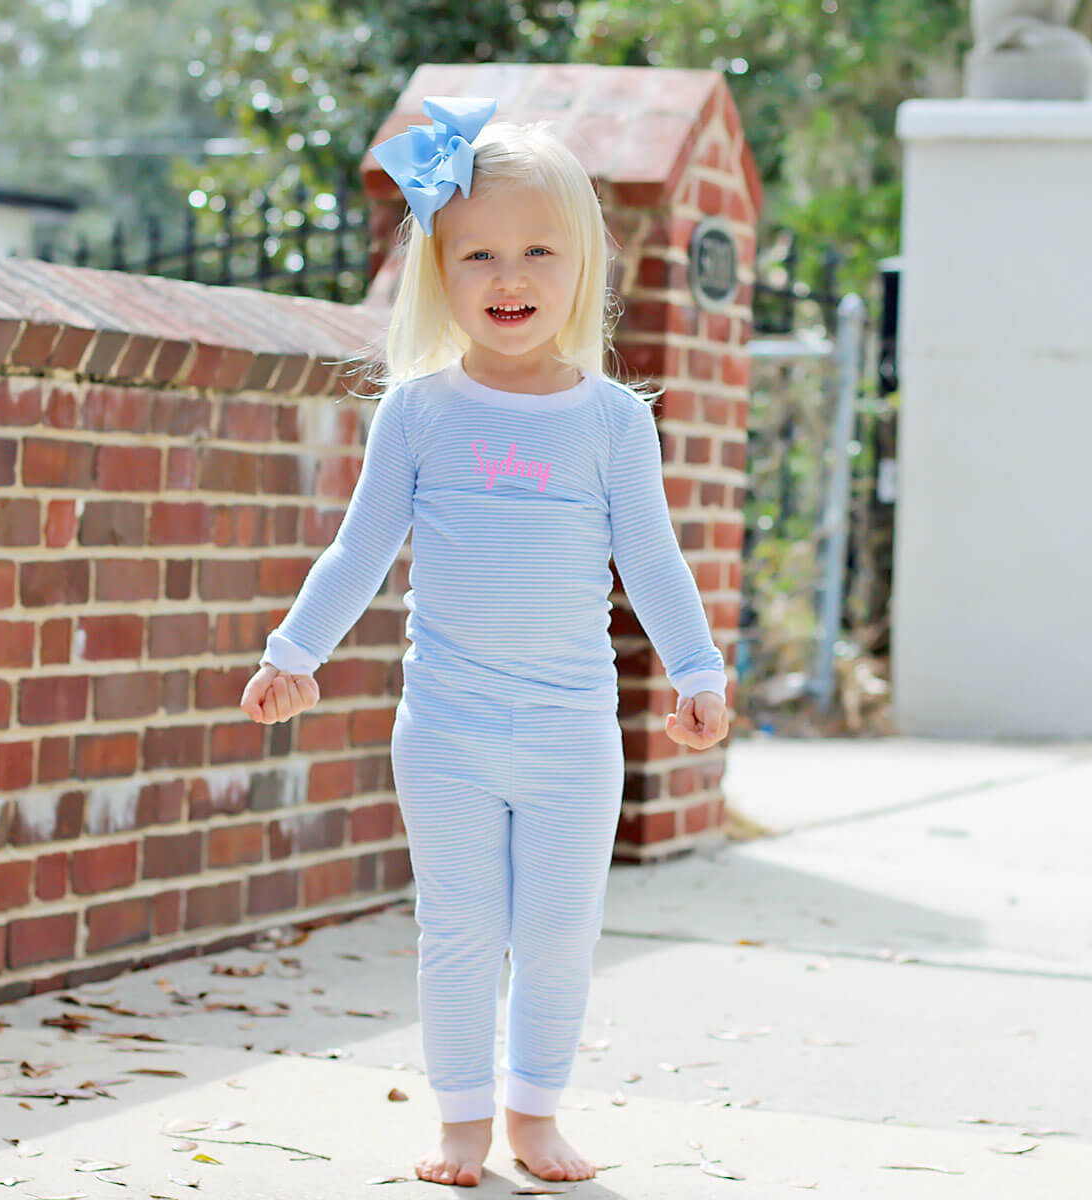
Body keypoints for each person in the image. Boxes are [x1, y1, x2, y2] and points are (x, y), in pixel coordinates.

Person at [239, 95, 730, 1188]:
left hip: (568, 733)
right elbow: (357, 551)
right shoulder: (418, 412)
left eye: (538, 251)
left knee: (557, 936)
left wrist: (696, 668)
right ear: (440, 272)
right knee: (457, 933)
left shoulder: (612, 421)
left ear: (581, 266)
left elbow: (651, 560)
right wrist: (292, 654)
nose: (509, 277)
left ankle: (534, 1113)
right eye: (480, 255)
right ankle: (460, 1123)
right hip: (448, 729)